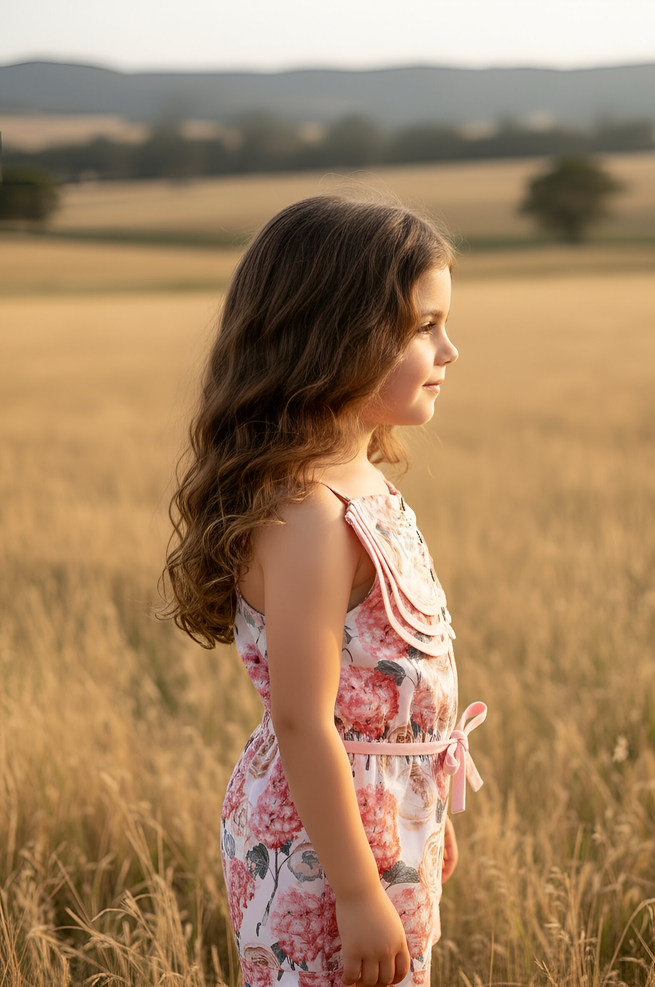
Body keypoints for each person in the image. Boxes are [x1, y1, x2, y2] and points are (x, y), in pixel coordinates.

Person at [162, 194, 486, 987]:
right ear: (336, 337)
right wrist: (355, 887)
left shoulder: (360, 478)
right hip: (320, 851)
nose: (450, 348)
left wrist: (422, 808)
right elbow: (305, 720)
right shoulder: (309, 514)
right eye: (423, 326)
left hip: (376, 827)